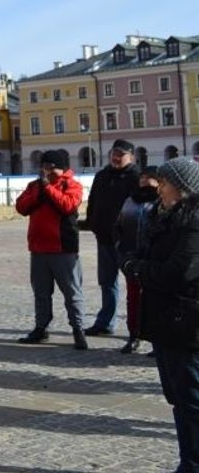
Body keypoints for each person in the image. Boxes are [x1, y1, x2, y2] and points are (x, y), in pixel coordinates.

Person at [122, 157, 199, 473]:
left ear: (181, 189)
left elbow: (179, 272)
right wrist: (134, 263)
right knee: (179, 397)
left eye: (164, 183)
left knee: (191, 399)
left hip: (187, 321)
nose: (158, 188)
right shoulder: (163, 216)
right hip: (165, 320)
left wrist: (137, 269)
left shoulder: (194, 221)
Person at [14, 150, 87, 349]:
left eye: (51, 168)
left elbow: (68, 205)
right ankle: (41, 328)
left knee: (72, 292)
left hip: (63, 248)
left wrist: (49, 189)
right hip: (38, 248)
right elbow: (21, 207)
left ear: (61, 168)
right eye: (45, 168)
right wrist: (40, 191)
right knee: (41, 293)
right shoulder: (34, 186)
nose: (47, 172)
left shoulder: (72, 185)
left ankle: (78, 329)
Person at [84, 139, 140, 338]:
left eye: (121, 154)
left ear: (131, 156)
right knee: (107, 282)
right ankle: (105, 322)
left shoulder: (136, 177)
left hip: (128, 241)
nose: (116, 158)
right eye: (114, 153)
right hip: (104, 238)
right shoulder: (102, 175)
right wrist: (92, 222)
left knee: (135, 285)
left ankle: (138, 327)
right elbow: (92, 201)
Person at [114, 165, 159, 354]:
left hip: (155, 260)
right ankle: (134, 336)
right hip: (131, 257)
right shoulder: (130, 201)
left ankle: (158, 340)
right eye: (142, 177)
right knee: (133, 299)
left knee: (156, 300)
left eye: (149, 177)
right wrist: (120, 248)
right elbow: (119, 225)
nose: (144, 181)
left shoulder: (162, 202)